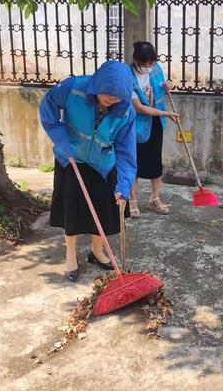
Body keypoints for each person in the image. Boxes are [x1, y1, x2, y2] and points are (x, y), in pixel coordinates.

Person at [39, 60, 137, 281]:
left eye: (117, 96)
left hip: (103, 163)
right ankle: (70, 254)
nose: (111, 100)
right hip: (71, 158)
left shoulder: (125, 112)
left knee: (103, 209)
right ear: (97, 84)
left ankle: (96, 250)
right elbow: (47, 106)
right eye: (107, 94)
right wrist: (60, 138)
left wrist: (124, 184)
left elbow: (126, 151)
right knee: (71, 208)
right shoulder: (73, 88)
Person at [128, 42, 179, 218]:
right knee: (132, 163)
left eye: (152, 62)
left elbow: (163, 86)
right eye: (145, 63)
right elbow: (139, 108)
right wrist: (165, 113)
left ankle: (154, 198)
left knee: (155, 163)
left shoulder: (157, 69)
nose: (149, 66)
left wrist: (169, 85)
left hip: (155, 123)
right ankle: (132, 200)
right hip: (136, 125)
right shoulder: (128, 76)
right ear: (136, 60)